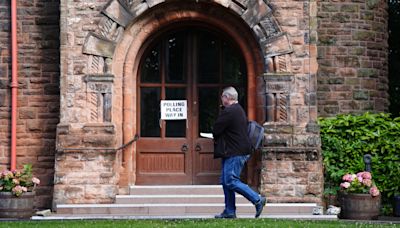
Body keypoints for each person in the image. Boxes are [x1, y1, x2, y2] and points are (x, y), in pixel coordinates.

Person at [212, 86, 266, 219]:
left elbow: (216, 129)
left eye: (223, 97)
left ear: (227, 98)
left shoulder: (230, 111)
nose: (222, 99)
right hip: (233, 150)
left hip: (235, 151)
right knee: (226, 181)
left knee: (230, 180)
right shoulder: (238, 110)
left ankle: (257, 199)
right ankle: (229, 211)